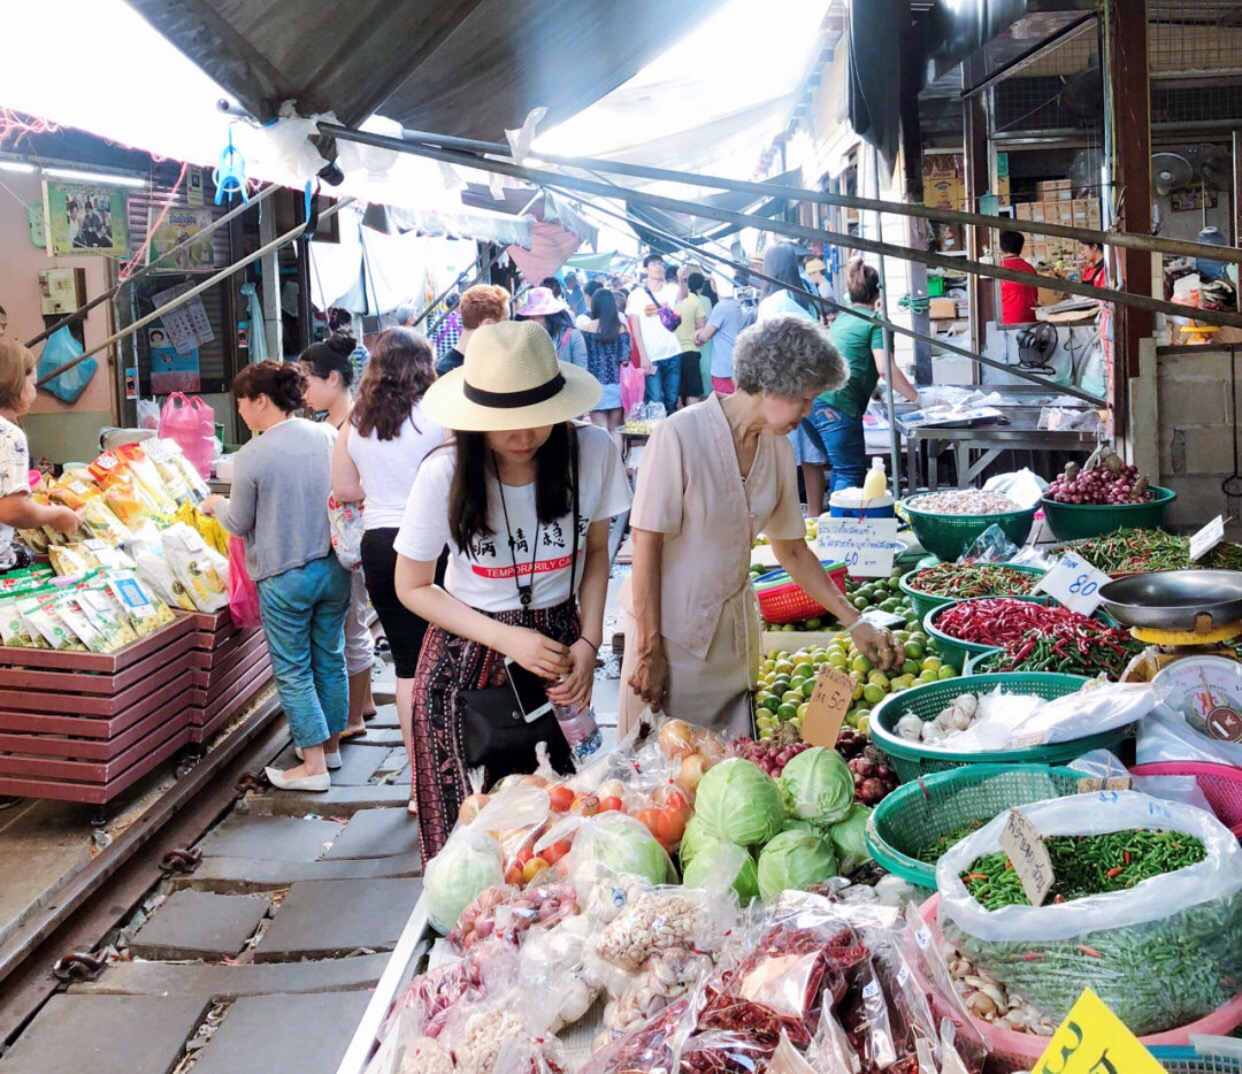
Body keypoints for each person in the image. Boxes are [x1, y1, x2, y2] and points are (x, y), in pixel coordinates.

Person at [393, 321, 631, 858]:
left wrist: (590, 644)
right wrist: (507, 639)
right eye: (508, 425)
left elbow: (597, 552)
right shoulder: (445, 471)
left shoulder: (591, 451)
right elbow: (411, 586)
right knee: (472, 846)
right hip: (466, 656)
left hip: (560, 650)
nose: (525, 438)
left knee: (561, 835)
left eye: (538, 421)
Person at [619, 316, 902, 736]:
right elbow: (645, 545)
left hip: (734, 644)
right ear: (770, 385)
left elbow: (792, 550)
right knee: (663, 775)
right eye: (803, 400)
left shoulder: (777, 451)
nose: (808, 412)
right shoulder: (680, 435)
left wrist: (854, 620)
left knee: (729, 775)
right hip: (670, 639)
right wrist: (648, 649)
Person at [202, 363, 350, 792]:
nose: (242, 412)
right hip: (333, 567)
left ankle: (313, 766)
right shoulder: (326, 434)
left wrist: (216, 506)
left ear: (261, 401)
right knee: (329, 656)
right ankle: (333, 748)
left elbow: (240, 520)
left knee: (293, 668)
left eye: (242, 404)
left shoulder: (253, 454)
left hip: (285, 576)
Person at [333, 328, 444, 815]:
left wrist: (383, 481)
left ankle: (419, 785)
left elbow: (345, 487)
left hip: (381, 543)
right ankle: (452, 767)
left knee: (407, 664)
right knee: (451, 654)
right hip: (438, 540)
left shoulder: (355, 421)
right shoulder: (441, 413)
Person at [300, 334, 378, 741]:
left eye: (307, 380)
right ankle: (362, 702)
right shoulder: (328, 426)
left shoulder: (356, 425)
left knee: (353, 624)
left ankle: (353, 718)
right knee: (353, 621)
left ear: (333, 378)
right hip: (342, 538)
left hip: (352, 540)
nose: (303, 391)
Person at [810, 259, 920, 496]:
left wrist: (873, 390)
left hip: (815, 403)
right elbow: (884, 368)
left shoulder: (843, 318)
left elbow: (854, 359)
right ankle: (843, 529)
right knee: (850, 473)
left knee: (841, 469)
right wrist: (916, 399)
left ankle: (833, 524)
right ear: (877, 293)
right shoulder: (876, 323)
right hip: (838, 406)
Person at [758, 244, 828, 514]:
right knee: (810, 456)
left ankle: (784, 515)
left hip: (782, 388)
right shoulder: (804, 296)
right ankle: (814, 514)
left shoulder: (772, 302)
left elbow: (765, 349)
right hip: (809, 385)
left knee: (782, 453)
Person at [0, 342, 80, 571]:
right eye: (33, 384)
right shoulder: (8, 435)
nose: (34, 392)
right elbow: (12, 509)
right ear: (16, 383)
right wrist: (57, 514)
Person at [626, 254, 682, 413]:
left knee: (672, 400)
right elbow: (635, 328)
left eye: (660, 264)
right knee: (655, 400)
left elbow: (683, 295)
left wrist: (683, 281)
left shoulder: (671, 290)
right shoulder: (637, 295)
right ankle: (657, 435)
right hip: (652, 356)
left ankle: (670, 435)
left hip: (673, 352)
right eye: (653, 264)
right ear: (645, 269)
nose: (658, 267)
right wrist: (643, 355)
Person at [580, 288, 630, 443]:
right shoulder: (621, 328)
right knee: (616, 428)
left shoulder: (586, 328)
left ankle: (606, 465)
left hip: (595, 385)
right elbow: (625, 359)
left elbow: (584, 358)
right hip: (616, 385)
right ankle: (618, 466)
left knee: (601, 427)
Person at [435, 284, 509, 376]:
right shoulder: (448, 375)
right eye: (505, 320)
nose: (509, 327)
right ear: (487, 324)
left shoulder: (444, 369)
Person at [695, 276, 750, 395]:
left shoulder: (722, 307)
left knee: (724, 408)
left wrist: (696, 334)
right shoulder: (741, 307)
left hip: (724, 368)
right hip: (740, 366)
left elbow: (704, 336)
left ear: (714, 285)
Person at [516, 287, 588, 371]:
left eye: (535, 315)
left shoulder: (573, 336)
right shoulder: (528, 337)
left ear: (549, 316)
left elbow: (581, 371)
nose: (531, 319)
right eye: (530, 315)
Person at [674, 271, 708, 407]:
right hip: (691, 351)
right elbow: (702, 327)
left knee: (675, 392)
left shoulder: (665, 300)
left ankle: (676, 423)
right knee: (692, 392)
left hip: (670, 353)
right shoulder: (694, 299)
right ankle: (689, 423)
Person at [999, 231, 1039, 324]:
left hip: (1007, 320)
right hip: (1030, 318)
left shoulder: (1000, 268)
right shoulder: (1030, 268)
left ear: (1001, 247)